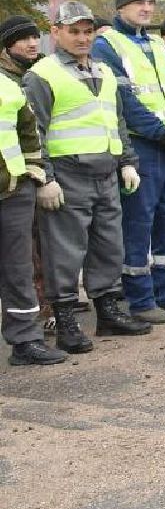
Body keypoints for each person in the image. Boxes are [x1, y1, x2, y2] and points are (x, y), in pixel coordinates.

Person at [23, 1, 150, 346]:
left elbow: (117, 121)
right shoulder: (42, 75)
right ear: (56, 33)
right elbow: (34, 131)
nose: (82, 38)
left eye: (87, 31)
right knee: (65, 250)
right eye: (73, 31)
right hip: (67, 174)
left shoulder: (104, 72)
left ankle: (108, 313)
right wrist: (45, 178)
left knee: (109, 245)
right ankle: (65, 323)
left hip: (107, 172)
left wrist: (127, 161)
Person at [92, 0, 165, 324]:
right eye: (138, 2)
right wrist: (161, 132)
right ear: (120, 7)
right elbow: (123, 99)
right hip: (142, 146)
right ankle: (140, 299)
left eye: (150, 3)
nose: (146, 8)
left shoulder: (157, 43)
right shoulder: (107, 45)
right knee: (139, 223)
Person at [0, 19, 64, 365]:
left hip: (13, 193)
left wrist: (35, 175)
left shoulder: (9, 87)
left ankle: (25, 340)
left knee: (18, 269)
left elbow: (29, 134)